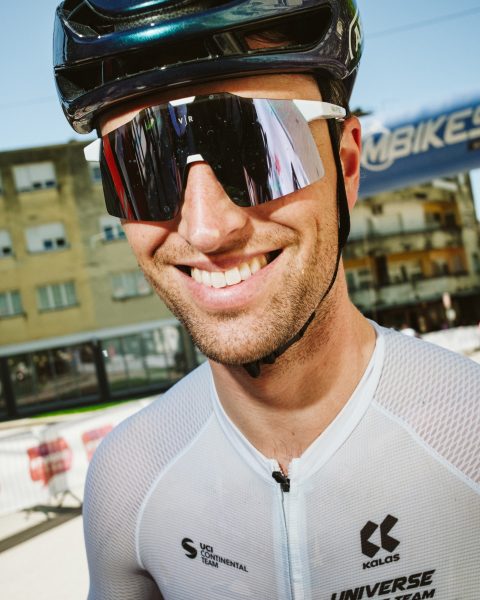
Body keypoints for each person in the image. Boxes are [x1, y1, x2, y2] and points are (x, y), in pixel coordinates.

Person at [53, 1, 480, 598]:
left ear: (347, 165)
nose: (207, 229)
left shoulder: (470, 433)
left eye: (259, 145)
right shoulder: (126, 483)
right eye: (143, 163)